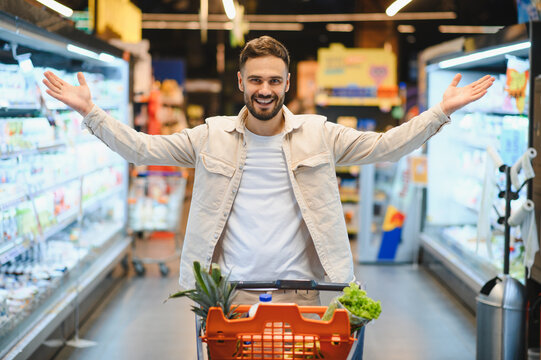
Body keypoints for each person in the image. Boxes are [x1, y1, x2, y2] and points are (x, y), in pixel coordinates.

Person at [43, 36, 494, 306]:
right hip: (230, 294)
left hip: (303, 292)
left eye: (274, 80)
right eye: (256, 80)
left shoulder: (320, 134)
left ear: (287, 83)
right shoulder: (210, 136)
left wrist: (438, 113)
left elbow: (385, 148)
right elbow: (142, 149)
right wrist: (92, 114)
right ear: (241, 82)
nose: (265, 90)